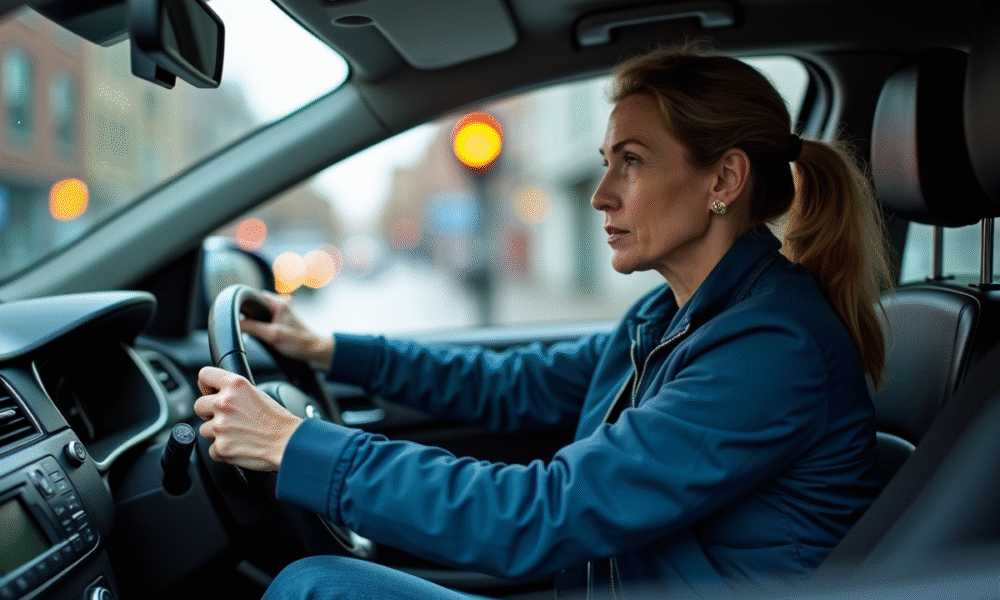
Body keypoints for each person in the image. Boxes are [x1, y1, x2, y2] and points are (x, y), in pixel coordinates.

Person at [194, 43, 894, 599]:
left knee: (315, 588)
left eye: (632, 162)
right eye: (605, 162)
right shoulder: (671, 317)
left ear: (723, 180)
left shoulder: (772, 348)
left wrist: (299, 446)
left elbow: (544, 512)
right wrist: (325, 349)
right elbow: (509, 382)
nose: (599, 195)